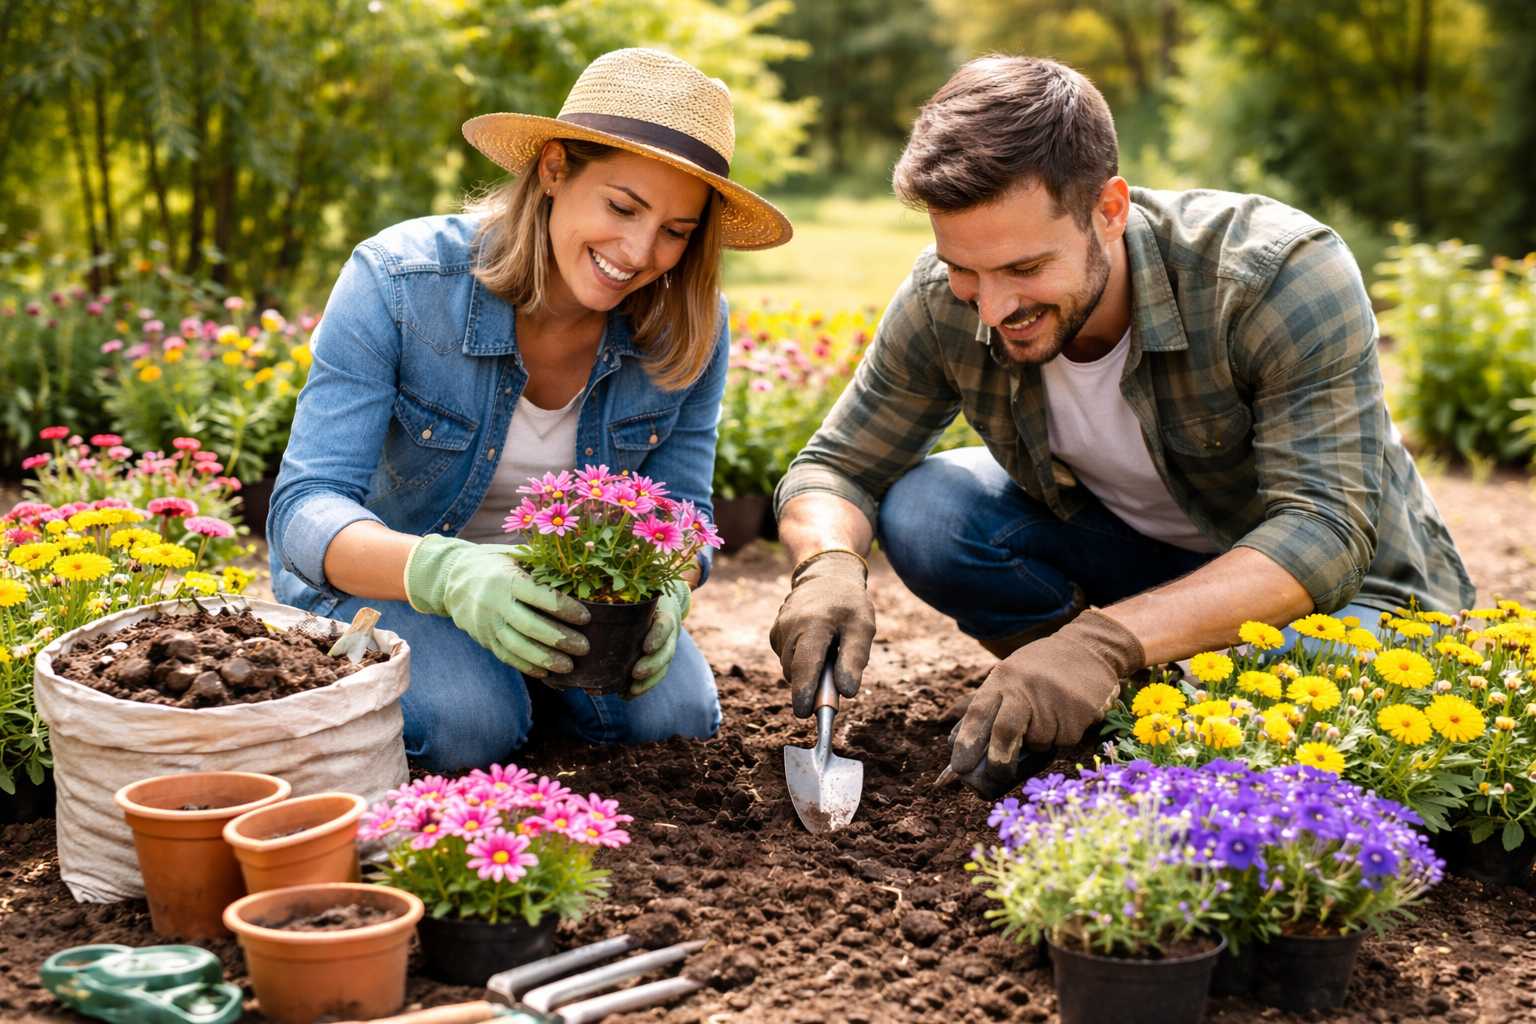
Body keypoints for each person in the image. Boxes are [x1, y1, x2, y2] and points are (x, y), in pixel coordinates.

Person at [769, 55, 1474, 798]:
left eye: (1025, 268)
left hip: (1339, 601)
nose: (992, 308)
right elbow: (838, 466)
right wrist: (826, 566)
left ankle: (1120, 691)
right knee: (931, 510)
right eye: (965, 271)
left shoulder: (1273, 276)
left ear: (1109, 209)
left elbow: (1323, 530)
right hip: (1144, 565)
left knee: (1281, 723)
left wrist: (1101, 644)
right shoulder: (946, 298)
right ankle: (1097, 700)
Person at [268, 48, 791, 773]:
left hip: (574, 599)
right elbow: (303, 508)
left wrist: (669, 585)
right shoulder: (400, 282)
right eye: (621, 206)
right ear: (553, 169)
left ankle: (518, 688)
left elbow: (685, 517)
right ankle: (492, 695)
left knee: (676, 719)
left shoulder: (688, 324)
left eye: (676, 230)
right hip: (389, 587)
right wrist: (449, 574)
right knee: (465, 727)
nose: (640, 252)